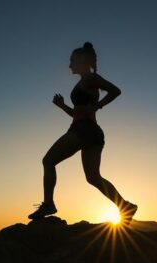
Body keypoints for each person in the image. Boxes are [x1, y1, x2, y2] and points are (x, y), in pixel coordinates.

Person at [28, 41, 138, 225]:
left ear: (81, 61)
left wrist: (98, 105)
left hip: (84, 130)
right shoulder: (84, 81)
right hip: (91, 131)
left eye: (72, 61)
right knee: (93, 177)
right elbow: (77, 113)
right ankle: (125, 206)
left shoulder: (90, 79)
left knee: (48, 160)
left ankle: (48, 204)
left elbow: (115, 91)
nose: (69, 64)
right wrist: (63, 106)